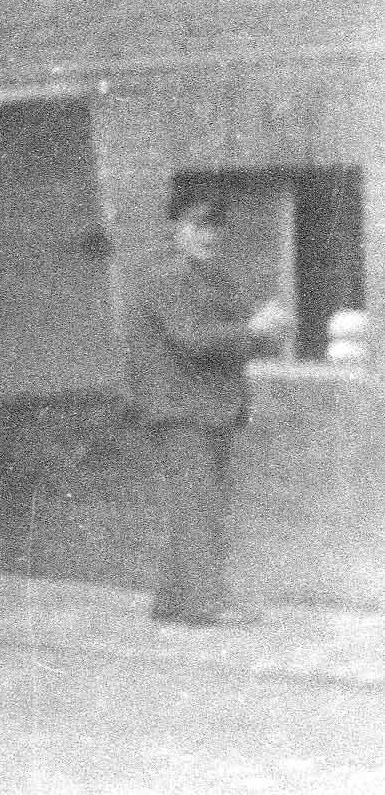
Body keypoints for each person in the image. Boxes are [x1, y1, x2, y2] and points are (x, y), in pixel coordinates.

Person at [127, 190, 290, 627]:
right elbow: (193, 338)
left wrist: (259, 322)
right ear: (174, 229)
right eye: (197, 225)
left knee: (198, 505)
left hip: (211, 408)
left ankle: (172, 603)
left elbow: (234, 327)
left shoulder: (213, 277)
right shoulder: (164, 277)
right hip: (179, 410)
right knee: (197, 506)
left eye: (216, 226)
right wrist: (254, 327)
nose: (209, 235)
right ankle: (203, 605)